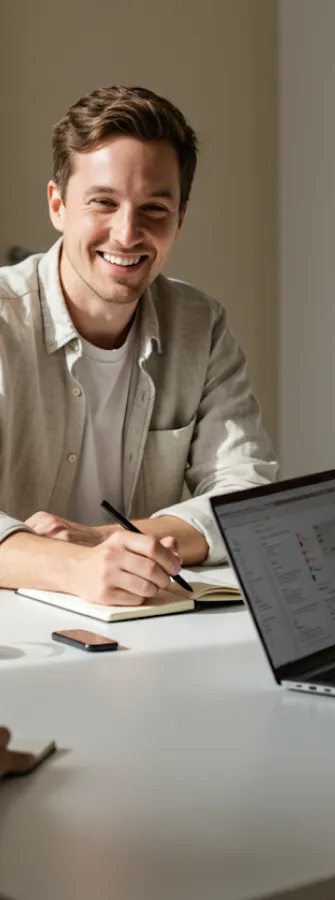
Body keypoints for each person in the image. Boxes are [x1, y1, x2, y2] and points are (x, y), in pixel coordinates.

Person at [0, 85, 277, 607]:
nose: (127, 234)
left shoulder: (201, 326)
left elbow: (245, 496)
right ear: (58, 205)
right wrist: (74, 567)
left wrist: (104, 542)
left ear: (180, 219)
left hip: (149, 636)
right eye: (103, 202)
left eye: (154, 208)